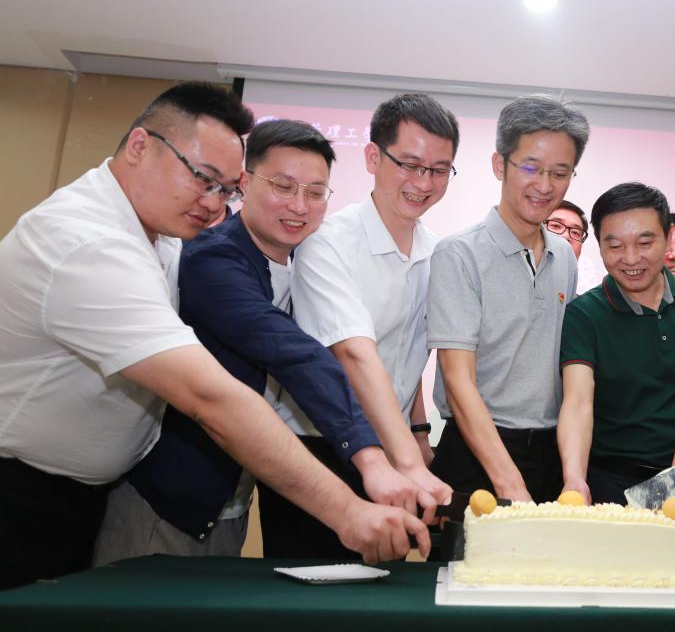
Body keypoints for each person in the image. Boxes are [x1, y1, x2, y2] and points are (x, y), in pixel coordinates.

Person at [0, 84, 428, 590]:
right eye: (202, 179)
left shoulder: (161, 233)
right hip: (27, 491)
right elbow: (219, 393)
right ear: (139, 146)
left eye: (223, 189)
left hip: (108, 493)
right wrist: (353, 501)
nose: (211, 202)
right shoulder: (91, 244)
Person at [94, 119, 436, 564]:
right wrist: (374, 460)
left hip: (230, 504)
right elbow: (298, 355)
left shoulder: (302, 261)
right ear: (244, 182)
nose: (299, 206)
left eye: (315, 192)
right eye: (283, 186)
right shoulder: (215, 259)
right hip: (168, 502)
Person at [279, 95, 459, 554]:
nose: (423, 182)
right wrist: (408, 461)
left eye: (439, 170)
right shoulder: (327, 243)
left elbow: (407, 353)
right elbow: (354, 354)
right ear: (373, 157)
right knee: (315, 582)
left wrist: (417, 438)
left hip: (395, 448)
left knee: (384, 579)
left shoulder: (437, 252)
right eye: (410, 165)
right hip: (321, 446)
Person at [557, 182, 675, 567]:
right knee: (619, 586)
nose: (630, 258)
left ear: (667, 237)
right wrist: (574, 477)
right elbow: (578, 402)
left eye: (644, 242)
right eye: (614, 245)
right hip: (613, 487)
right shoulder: (585, 314)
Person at [427, 94, 589, 503]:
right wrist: (510, 484)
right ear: (500, 164)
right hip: (476, 453)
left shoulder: (564, 256)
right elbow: (458, 380)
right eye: (531, 168)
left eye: (560, 172)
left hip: (548, 454)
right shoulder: (459, 254)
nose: (545, 186)